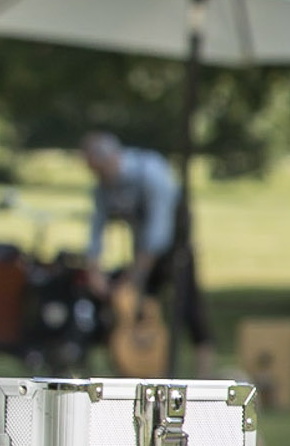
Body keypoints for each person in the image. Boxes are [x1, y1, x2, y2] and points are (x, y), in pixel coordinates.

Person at [80, 130, 205, 351]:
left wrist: (136, 274)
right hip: (141, 247)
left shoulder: (151, 174)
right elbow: (97, 225)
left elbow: (159, 231)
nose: (98, 178)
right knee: (133, 304)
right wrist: (94, 269)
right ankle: (139, 365)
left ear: (110, 159)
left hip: (174, 245)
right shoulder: (104, 186)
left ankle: (203, 365)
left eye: (99, 171)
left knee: (188, 304)